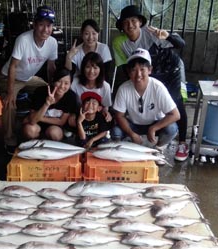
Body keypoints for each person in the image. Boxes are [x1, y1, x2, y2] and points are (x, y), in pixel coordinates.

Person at [113, 5, 189, 161]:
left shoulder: (151, 33)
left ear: (140, 22)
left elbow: (180, 44)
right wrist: (126, 92)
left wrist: (167, 36)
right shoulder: (121, 43)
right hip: (149, 72)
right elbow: (124, 68)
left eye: (134, 20)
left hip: (172, 69)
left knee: (176, 103)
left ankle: (182, 142)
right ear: (122, 27)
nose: (130, 25)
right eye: (126, 22)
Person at [0, 5, 58, 154]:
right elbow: (12, 67)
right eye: (42, 25)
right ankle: (9, 139)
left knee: (50, 93)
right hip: (9, 77)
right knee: (9, 103)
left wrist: (52, 86)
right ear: (34, 25)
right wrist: (11, 92)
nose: (45, 29)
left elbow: (51, 67)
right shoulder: (23, 39)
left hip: (29, 78)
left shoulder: (52, 43)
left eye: (49, 25)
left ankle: (43, 125)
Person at [111, 48, 180, 150]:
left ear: (150, 70)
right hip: (134, 124)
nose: (138, 74)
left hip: (155, 122)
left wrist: (154, 128)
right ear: (129, 72)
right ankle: (123, 151)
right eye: (134, 70)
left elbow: (175, 114)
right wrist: (132, 134)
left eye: (142, 69)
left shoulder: (158, 87)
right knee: (116, 132)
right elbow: (119, 116)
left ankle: (158, 148)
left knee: (172, 129)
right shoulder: (123, 88)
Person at [21, 69, 78, 141]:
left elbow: (61, 121)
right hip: (37, 125)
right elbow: (33, 121)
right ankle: (35, 146)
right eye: (59, 81)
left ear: (70, 84)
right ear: (53, 81)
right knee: (29, 130)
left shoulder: (70, 96)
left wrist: (38, 117)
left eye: (66, 83)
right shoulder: (40, 92)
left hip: (54, 126)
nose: (62, 86)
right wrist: (46, 104)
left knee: (55, 134)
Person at [70, 51, 113, 124]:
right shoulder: (75, 83)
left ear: (100, 69)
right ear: (83, 68)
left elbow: (105, 106)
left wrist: (106, 113)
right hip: (79, 114)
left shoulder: (106, 86)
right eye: (88, 67)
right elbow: (72, 105)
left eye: (95, 68)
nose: (91, 71)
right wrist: (73, 115)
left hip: (96, 116)